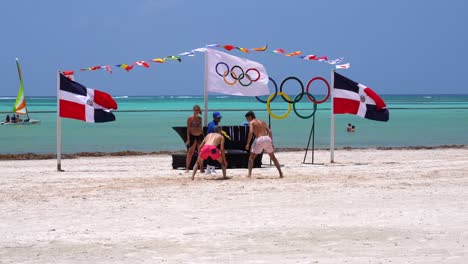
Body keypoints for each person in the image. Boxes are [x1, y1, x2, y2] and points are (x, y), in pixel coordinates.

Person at [244, 110, 283, 178]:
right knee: (273, 157)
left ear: (250, 117)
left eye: (247, 118)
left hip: (259, 139)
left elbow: (250, 132)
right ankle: (280, 173)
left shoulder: (251, 122)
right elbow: (270, 131)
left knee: (251, 158)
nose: (247, 120)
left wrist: (248, 143)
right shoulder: (263, 122)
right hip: (267, 138)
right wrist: (271, 141)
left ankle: (249, 175)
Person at [185, 105, 204, 173]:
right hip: (192, 136)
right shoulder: (190, 118)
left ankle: (201, 168)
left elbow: (201, 128)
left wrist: (203, 137)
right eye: (195, 110)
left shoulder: (200, 118)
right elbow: (188, 129)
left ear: (199, 111)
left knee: (201, 152)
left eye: (197, 110)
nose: (196, 111)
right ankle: (187, 168)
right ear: (193, 110)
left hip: (199, 136)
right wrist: (188, 139)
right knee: (190, 152)